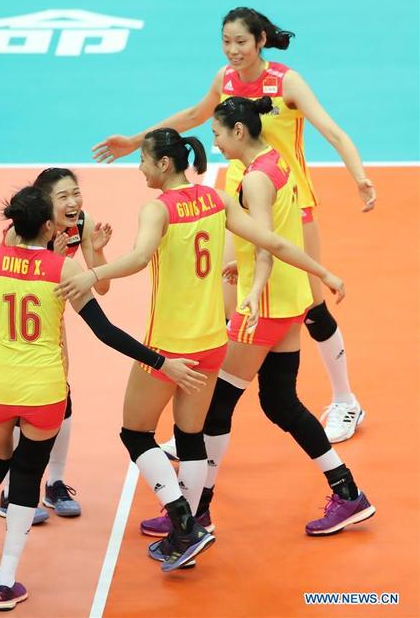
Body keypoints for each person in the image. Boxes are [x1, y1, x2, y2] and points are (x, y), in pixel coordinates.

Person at [57, 127, 348, 569]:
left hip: (169, 344)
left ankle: (184, 524)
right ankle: (186, 533)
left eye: (144, 161)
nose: (140, 167)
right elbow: (275, 241)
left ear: (164, 164)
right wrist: (323, 273)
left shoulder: (157, 208)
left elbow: (137, 259)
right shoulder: (216, 200)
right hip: (214, 342)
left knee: (135, 433)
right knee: (191, 436)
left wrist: (91, 274)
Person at [0, 185, 203, 608]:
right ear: (47, 225)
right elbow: (106, 332)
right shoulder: (61, 269)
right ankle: (5, 582)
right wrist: (160, 361)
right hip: (45, 391)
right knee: (26, 476)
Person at [91, 7, 377, 443]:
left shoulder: (286, 82)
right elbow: (191, 116)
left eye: (241, 41)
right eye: (226, 41)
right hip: (236, 210)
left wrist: (359, 177)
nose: (233, 50)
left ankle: (345, 400)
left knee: (311, 309)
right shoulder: (224, 79)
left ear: (261, 40)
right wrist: (135, 140)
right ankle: (195, 422)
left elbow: (333, 132)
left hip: (291, 206)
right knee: (224, 308)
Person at [142, 99, 375, 543]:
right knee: (280, 402)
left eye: (218, 131)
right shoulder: (276, 161)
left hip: (264, 307)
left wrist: (251, 288)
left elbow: (266, 242)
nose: (212, 139)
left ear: (239, 133)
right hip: (289, 299)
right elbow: (276, 233)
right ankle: (347, 491)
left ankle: (195, 513)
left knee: (214, 407)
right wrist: (244, 264)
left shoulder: (255, 178)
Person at [0, 168, 112, 521]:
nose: (73, 203)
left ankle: (55, 483)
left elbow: (101, 286)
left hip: (49, 308)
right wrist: (47, 256)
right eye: (63, 197)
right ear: (43, 203)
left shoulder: (82, 224)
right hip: (7, 313)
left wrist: (96, 254)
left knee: (58, 394)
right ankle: (12, 491)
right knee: (23, 395)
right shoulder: (17, 232)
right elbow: (1, 288)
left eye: (75, 193)